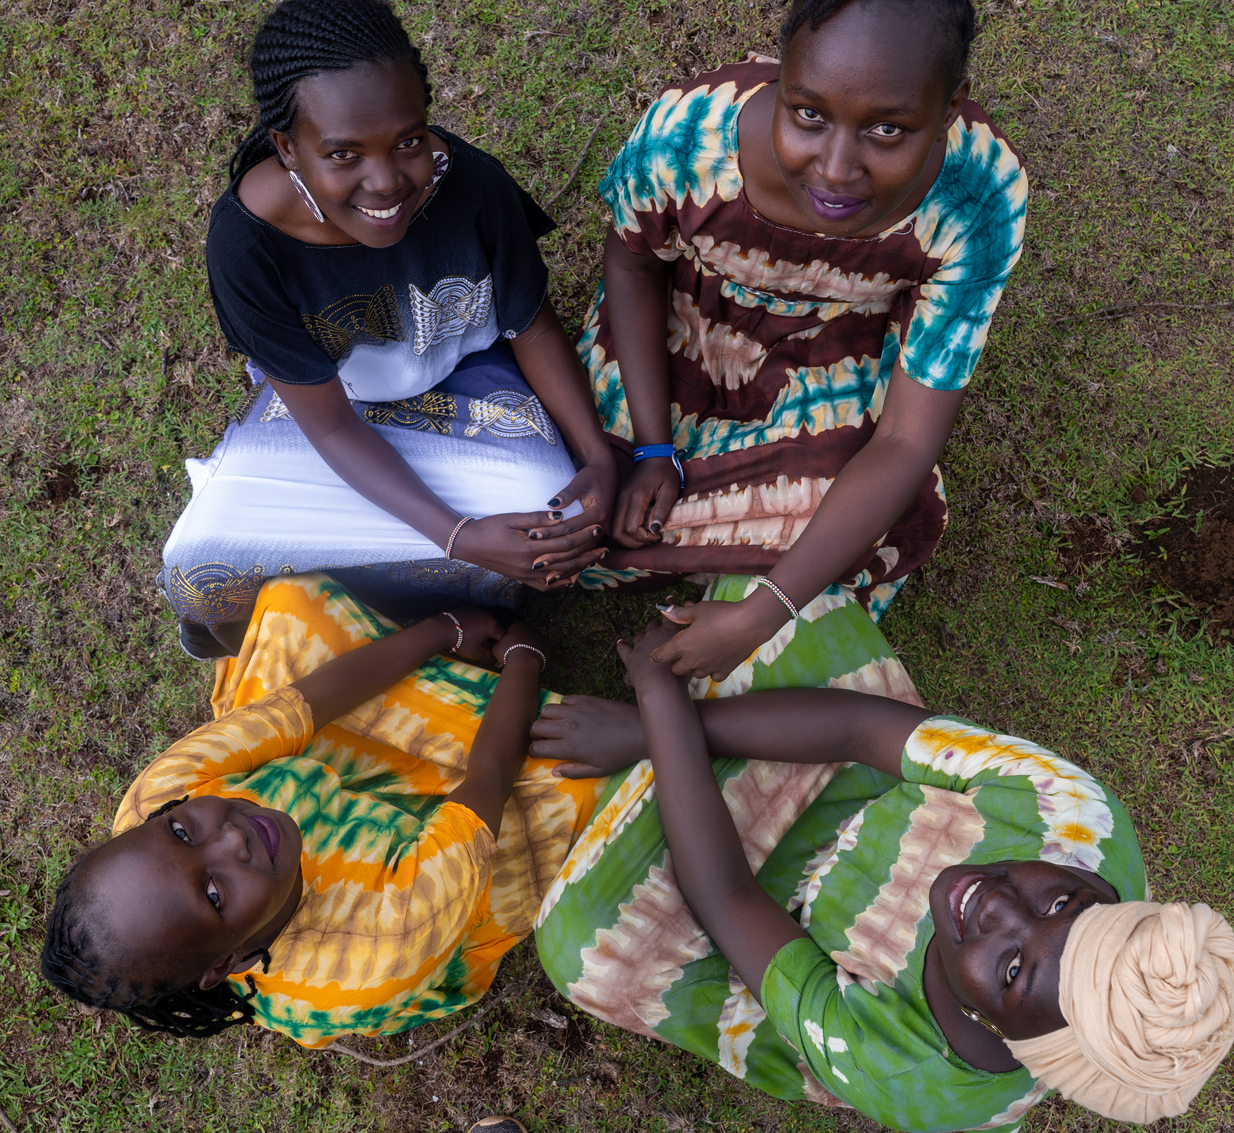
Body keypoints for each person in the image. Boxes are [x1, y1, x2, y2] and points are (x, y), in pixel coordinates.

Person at [531, 620, 1234, 1130]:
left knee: (580, 942)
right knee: (779, 607)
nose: (1000, 905)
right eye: (1059, 899)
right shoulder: (1080, 820)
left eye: (1012, 969)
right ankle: (671, 766)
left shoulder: (906, 1072)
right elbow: (858, 730)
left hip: (758, 943)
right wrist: (648, 730)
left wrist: (662, 710)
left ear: (997, 1026)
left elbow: (726, 894)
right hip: (852, 782)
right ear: (1099, 891)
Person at [577, 0, 1027, 689]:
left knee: (886, 512)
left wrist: (763, 615)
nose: (837, 168)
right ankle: (722, 545)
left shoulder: (977, 197)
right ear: (778, 79)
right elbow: (634, 265)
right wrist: (651, 447)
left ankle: (743, 573)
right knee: (572, 499)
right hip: (675, 343)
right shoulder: (685, 140)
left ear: (949, 108)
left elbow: (906, 442)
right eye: (808, 114)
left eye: (888, 129)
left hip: (828, 365)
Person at [162, 0, 615, 660]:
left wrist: (597, 457)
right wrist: (457, 536)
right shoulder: (247, 244)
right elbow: (332, 426)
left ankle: (368, 610)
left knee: (555, 528)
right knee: (196, 567)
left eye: (407, 141)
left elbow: (532, 327)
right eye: (344, 154)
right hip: (333, 417)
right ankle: (440, 600)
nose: (386, 182)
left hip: (467, 385)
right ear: (287, 147)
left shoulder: (472, 188)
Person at [40, 574, 602, 1047]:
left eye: (183, 832)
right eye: (213, 895)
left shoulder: (158, 800)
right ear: (231, 962)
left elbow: (303, 705)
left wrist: (441, 630)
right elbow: (488, 782)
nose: (230, 841)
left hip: (337, 782)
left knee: (293, 607)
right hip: (444, 875)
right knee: (576, 789)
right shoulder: (379, 947)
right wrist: (525, 660)